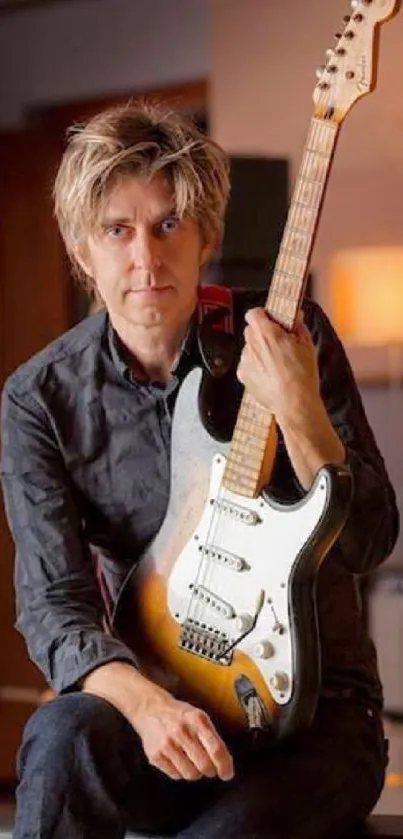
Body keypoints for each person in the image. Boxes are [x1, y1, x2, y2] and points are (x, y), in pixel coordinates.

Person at [0, 100, 399, 839]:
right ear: (82, 252)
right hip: (165, 710)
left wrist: (299, 406)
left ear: (206, 235)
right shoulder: (40, 397)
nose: (145, 259)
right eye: (117, 231)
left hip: (316, 722)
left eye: (168, 225)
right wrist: (146, 707)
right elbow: (55, 603)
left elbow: (368, 540)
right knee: (61, 737)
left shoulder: (293, 334)